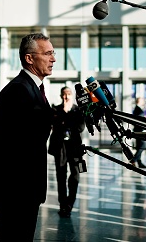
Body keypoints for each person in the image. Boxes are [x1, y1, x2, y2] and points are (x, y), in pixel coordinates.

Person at [0, 33, 55, 241]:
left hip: (23, 186)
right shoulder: (19, 90)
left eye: (53, 53)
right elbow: (13, 142)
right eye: (47, 53)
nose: (53, 58)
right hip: (16, 189)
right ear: (29, 58)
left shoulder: (32, 88)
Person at [48, 86, 85, 218]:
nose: (67, 97)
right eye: (64, 94)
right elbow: (55, 126)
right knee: (61, 175)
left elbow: (80, 127)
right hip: (60, 147)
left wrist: (66, 117)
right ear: (61, 96)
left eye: (69, 94)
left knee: (75, 174)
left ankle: (70, 202)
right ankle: (63, 204)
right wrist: (63, 112)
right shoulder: (56, 110)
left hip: (74, 147)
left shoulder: (78, 110)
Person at [129, 97, 146, 169]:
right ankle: (134, 159)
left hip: (138, 130)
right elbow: (139, 120)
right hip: (140, 130)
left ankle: (139, 162)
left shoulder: (137, 109)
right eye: (142, 100)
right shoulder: (138, 110)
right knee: (142, 146)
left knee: (139, 146)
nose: (143, 101)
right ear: (139, 101)